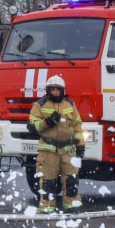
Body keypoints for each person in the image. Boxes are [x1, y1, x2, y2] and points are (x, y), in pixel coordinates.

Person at [28, 75, 85, 212]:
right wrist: (47, 122)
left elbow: (77, 126)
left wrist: (80, 144)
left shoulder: (70, 104)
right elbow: (31, 126)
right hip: (49, 151)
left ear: (63, 90)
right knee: (48, 181)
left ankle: (71, 204)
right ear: (48, 90)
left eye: (57, 90)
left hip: (68, 150)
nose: (55, 92)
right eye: (52, 90)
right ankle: (47, 207)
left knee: (71, 179)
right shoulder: (40, 105)